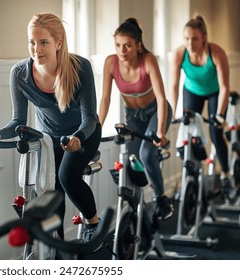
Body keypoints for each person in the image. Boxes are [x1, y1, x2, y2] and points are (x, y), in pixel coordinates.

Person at [0, 12, 101, 242]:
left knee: (67, 176)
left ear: (58, 43)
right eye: (32, 42)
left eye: (43, 42)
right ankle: (56, 246)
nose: (36, 49)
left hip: (84, 133)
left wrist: (77, 137)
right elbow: (18, 121)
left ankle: (92, 223)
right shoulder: (20, 73)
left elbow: (89, 118)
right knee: (51, 191)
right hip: (49, 138)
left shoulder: (80, 67)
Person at [99, 18, 174, 220]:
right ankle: (136, 209)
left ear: (138, 46)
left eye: (127, 45)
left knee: (147, 154)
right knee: (131, 161)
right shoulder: (110, 63)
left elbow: (161, 98)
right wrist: (97, 128)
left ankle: (161, 199)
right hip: (133, 116)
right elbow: (105, 99)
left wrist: (160, 131)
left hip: (156, 112)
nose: (121, 50)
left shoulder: (148, 60)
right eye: (117, 45)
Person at [169, 14, 236, 200]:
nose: (190, 43)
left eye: (195, 38)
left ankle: (226, 175)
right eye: (187, 38)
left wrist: (220, 116)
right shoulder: (180, 54)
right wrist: (172, 112)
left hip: (215, 92)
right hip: (192, 91)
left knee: (215, 132)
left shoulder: (216, 52)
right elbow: (174, 86)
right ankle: (194, 173)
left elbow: (224, 87)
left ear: (204, 38)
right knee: (189, 130)